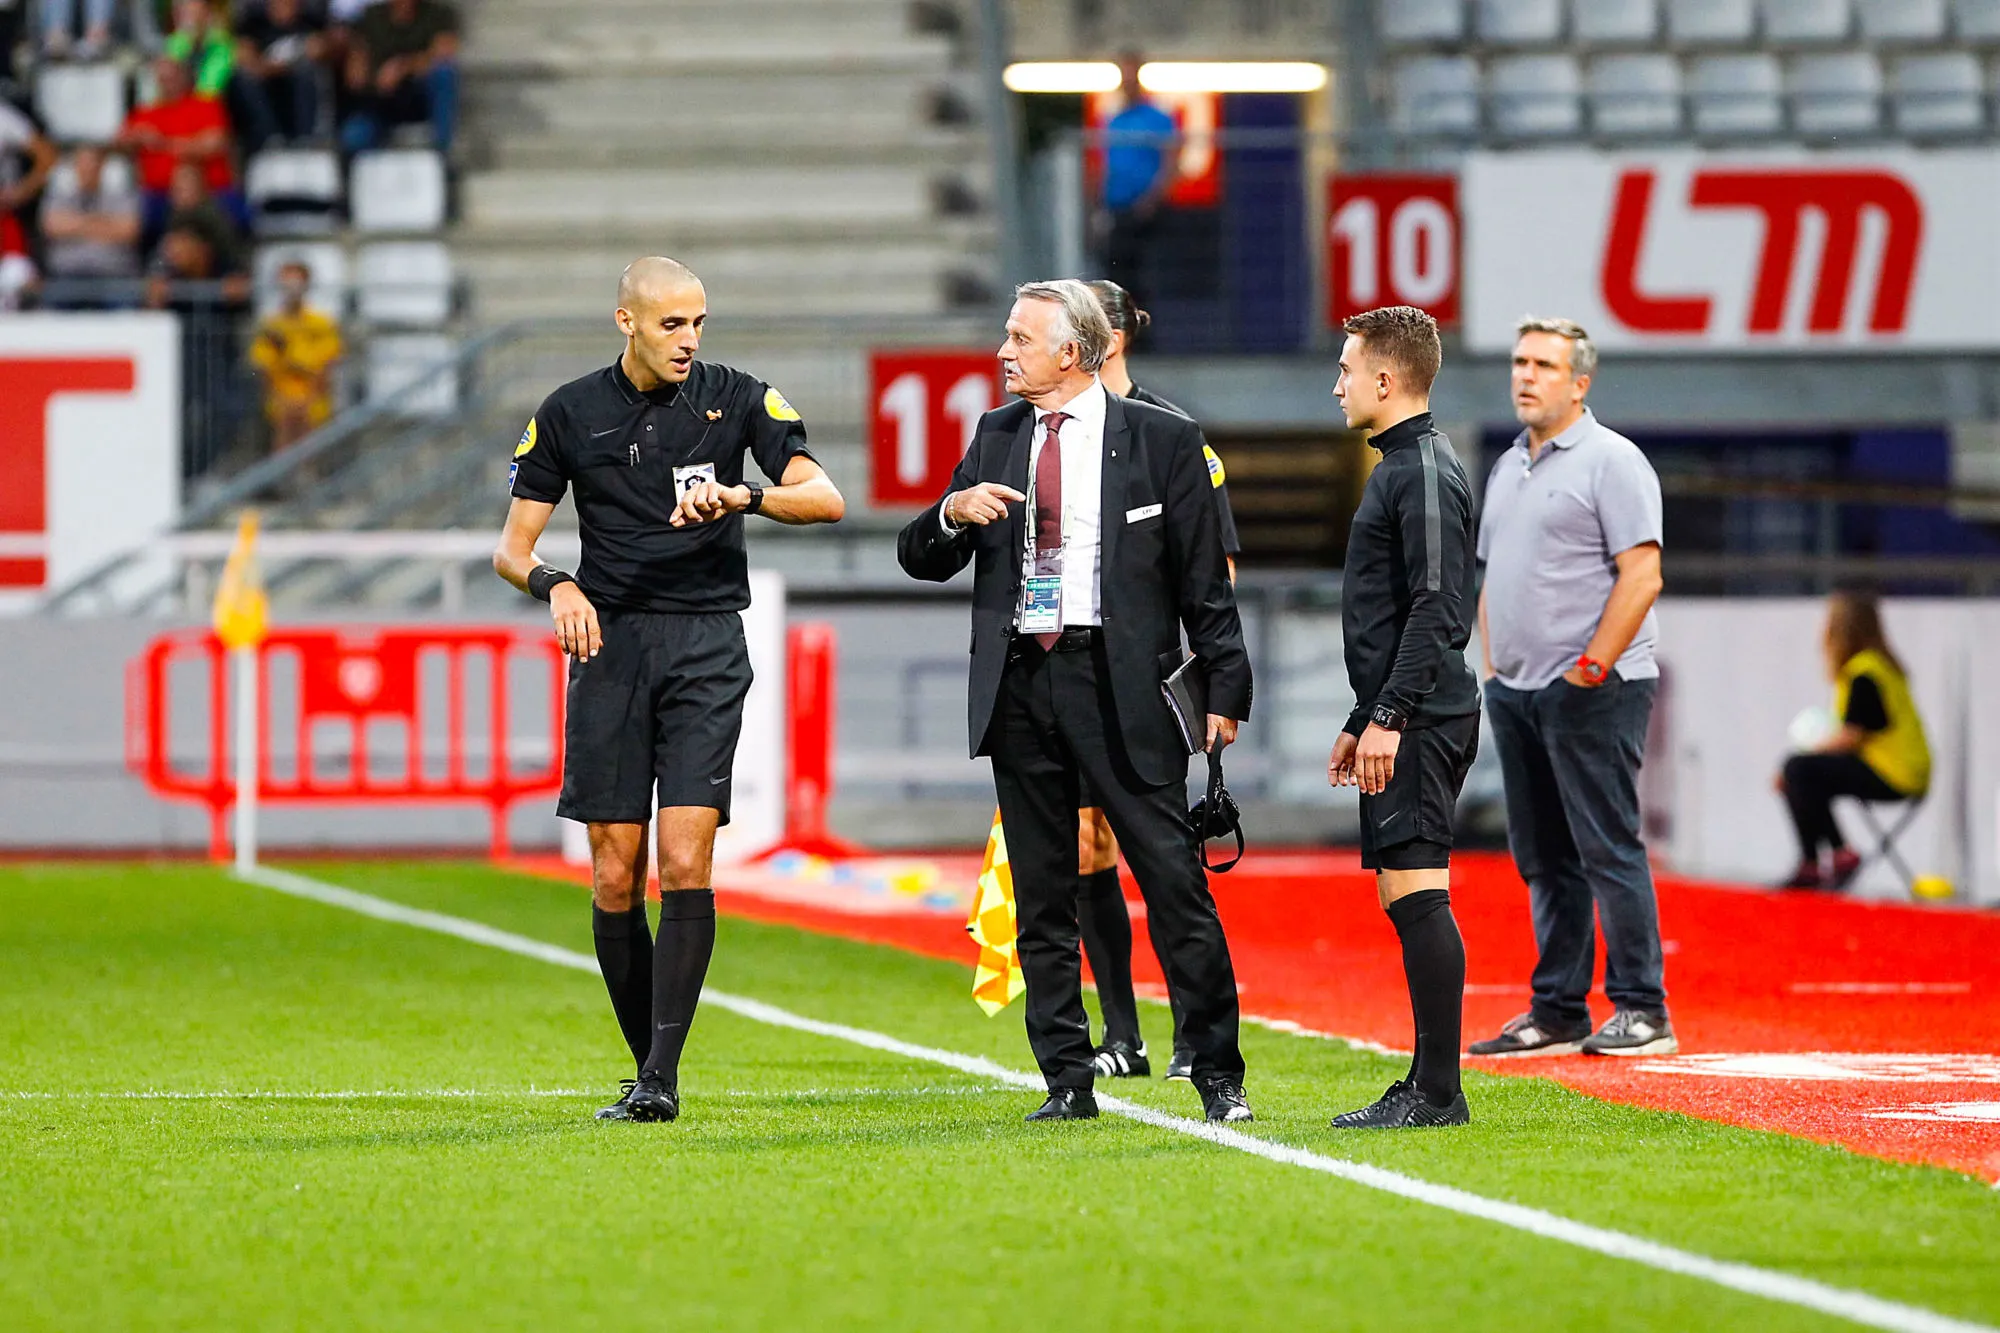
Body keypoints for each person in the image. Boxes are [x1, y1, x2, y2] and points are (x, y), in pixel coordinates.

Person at [492, 257, 845, 1125]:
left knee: (686, 860)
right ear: (626, 322)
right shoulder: (568, 412)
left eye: (697, 322)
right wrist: (558, 586)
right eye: (670, 325)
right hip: (609, 645)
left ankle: (660, 1077)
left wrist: (746, 497)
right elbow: (512, 549)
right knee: (616, 874)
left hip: (705, 645)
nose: (689, 340)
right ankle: (647, 1064)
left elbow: (827, 498)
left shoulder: (741, 397)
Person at [896, 279, 1254, 1125]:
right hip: (1022, 681)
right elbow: (921, 554)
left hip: (1118, 682)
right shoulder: (995, 434)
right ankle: (1066, 1076)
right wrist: (952, 510)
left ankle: (1217, 1069)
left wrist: (1226, 688)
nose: (1003, 351)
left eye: (1020, 337)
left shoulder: (1165, 439)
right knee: (1043, 893)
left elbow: (1207, 583)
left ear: (1073, 352)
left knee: (1174, 883)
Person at [1467, 316, 1673, 1060]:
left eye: (1545, 365)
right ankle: (1557, 1007)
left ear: (1579, 382)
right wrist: (1495, 669)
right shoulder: (1508, 466)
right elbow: (1493, 577)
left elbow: (1642, 573)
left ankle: (1644, 1007)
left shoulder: (1612, 461)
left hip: (1593, 686)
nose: (1526, 375)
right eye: (1520, 361)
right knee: (1543, 855)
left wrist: (1591, 666)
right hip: (1519, 689)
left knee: (1605, 845)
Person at [1071, 276, 1240, 1083]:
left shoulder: (1173, 433)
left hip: (1143, 678)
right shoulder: (1044, 430)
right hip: (1064, 677)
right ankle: (1120, 1032)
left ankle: (1191, 1033)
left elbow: (1217, 564)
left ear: (1113, 335)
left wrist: (1211, 683)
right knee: (1083, 844)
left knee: (1164, 859)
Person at [1325, 305, 1478, 1130]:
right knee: (1401, 888)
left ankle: (1438, 1092)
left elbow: (1435, 606)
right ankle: (1427, 1079)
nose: (1338, 383)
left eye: (1348, 369)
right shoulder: (1404, 463)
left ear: (1387, 380)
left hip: (1421, 714)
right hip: (1403, 710)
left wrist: (1388, 713)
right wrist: (1363, 715)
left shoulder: (1417, 468)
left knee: (1419, 888)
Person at [1776, 590, 1930, 891]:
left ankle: (1821, 858)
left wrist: (1802, 755)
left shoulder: (1864, 673)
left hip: (1893, 772)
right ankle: (1834, 853)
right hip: (1905, 768)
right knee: (1803, 774)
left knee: (1797, 770)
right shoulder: (1880, 667)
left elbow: (1851, 736)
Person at [118, 56, 244, 241]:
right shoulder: (145, 112)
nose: (167, 83)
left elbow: (214, 143)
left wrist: (162, 143)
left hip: (211, 192)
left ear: (184, 77)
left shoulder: (206, 106)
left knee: (233, 219)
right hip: (158, 194)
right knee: (136, 218)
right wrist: (137, 137)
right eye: (162, 79)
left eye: (172, 77)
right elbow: (120, 141)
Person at [1096, 50, 1177, 303]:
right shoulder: (1114, 120)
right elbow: (1105, 165)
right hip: (1117, 208)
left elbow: (1171, 161)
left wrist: (1153, 199)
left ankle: (1147, 336)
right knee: (1117, 273)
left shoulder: (1158, 119)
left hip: (1146, 211)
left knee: (1146, 275)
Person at [340, 0, 458, 153]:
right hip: (381, 100)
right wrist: (369, 74)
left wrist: (402, 67)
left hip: (418, 97)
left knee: (444, 74)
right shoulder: (370, 17)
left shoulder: (438, 14)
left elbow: (444, 53)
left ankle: (443, 151)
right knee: (353, 137)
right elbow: (354, 75)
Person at [248, 258, 341, 450]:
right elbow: (264, 369)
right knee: (283, 439)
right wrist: (284, 399)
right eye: (286, 283)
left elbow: (324, 368)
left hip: (313, 402)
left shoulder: (321, 323)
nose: (291, 289)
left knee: (310, 444)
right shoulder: (271, 325)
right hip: (280, 404)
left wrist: (288, 354)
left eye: (296, 283)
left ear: (306, 285)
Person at [40, 144, 144, 306]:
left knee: (127, 310)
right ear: (74, 167)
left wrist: (74, 224)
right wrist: (102, 223)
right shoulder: (61, 196)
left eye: (92, 163)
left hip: (113, 276)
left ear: (102, 166)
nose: (88, 169)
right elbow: (51, 227)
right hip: (67, 276)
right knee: (51, 310)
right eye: (83, 163)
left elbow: (129, 231)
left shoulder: (120, 196)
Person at [234, 0, 332, 143]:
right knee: (244, 78)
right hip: (267, 90)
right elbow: (245, 57)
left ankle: (307, 137)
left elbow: (319, 50)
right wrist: (278, 67)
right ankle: (269, 137)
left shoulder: (310, 21)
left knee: (308, 72)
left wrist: (274, 66)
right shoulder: (253, 23)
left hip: (297, 89)